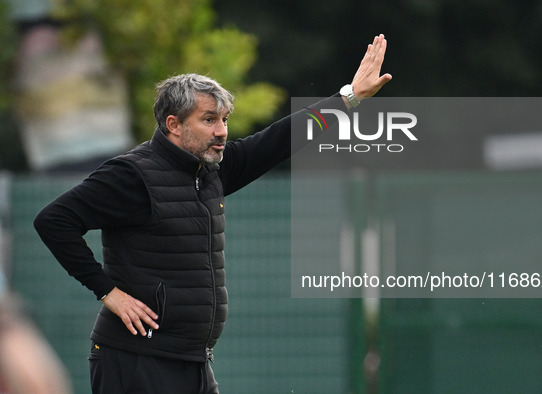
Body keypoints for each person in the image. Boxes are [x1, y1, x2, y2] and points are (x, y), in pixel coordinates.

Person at [33, 34, 392, 393]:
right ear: (174, 124)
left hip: (193, 361)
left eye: (224, 119)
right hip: (135, 360)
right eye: (209, 120)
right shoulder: (132, 176)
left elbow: (281, 138)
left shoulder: (213, 170)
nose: (221, 132)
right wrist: (107, 291)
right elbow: (53, 220)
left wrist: (349, 98)